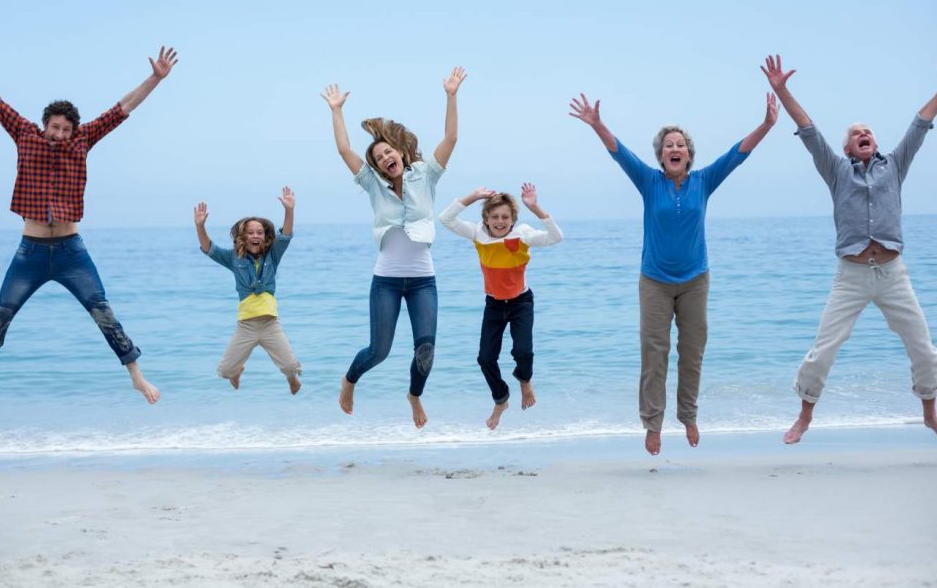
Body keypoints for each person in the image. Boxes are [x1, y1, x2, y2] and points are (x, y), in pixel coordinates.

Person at [0, 26, 176, 406]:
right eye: (54, 127)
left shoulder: (83, 141)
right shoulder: (24, 134)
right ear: (44, 126)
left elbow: (122, 109)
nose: (59, 134)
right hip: (30, 253)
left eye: (66, 129)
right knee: (1, 315)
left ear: (73, 132)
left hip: (72, 251)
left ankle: (136, 375)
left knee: (103, 312)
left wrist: (154, 77)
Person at [761, 54, 937, 445]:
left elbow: (920, 125)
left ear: (876, 142)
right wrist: (782, 89)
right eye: (856, 133)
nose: (863, 133)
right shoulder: (836, 171)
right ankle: (803, 418)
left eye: (868, 130)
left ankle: (931, 415)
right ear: (849, 149)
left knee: (924, 348)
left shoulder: (895, 166)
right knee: (823, 351)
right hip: (850, 275)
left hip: (892, 273)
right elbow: (808, 130)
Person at [569, 89, 778, 455]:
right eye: (668, 145)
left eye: (680, 144)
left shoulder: (704, 181)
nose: (674, 148)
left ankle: (689, 415)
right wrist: (598, 124)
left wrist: (767, 124)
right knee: (655, 353)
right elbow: (619, 153)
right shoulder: (649, 181)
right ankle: (653, 423)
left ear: (689, 154)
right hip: (654, 282)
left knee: (692, 351)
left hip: (696, 280)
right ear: (661, 156)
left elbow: (737, 154)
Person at [320, 67, 467, 428]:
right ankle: (349, 380)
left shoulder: (425, 175)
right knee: (379, 351)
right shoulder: (373, 185)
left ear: (400, 152)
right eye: (379, 158)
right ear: (378, 168)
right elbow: (343, 149)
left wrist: (451, 95)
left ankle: (414, 395)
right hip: (385, 281)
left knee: (426, 351)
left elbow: (451, 138)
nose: (386, 157)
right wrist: (336, 110)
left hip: (422, 281)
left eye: (389, 151)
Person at [439, 183, 563, 430]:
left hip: (521, 302)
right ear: (485, 219)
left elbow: (556, 237)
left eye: (505, 217)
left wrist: (535, 207)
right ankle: (501, 399)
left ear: (513, 219)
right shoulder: (477, 234)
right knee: (485, 359)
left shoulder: (522, 234)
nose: (499, 221)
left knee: (523, 353)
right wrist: (473, 196)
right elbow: (446, 219)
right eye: (494, 216)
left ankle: (524, 380)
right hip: (494, 305)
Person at [194, 188, 303, 393]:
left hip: (270, 324)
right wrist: (200, 226)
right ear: (242, 237)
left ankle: (292, 379)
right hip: (246, 326)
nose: (255, 235)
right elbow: (209, 248)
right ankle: (236, 372)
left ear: (265, 236)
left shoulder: (273, 254)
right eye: (250, 232)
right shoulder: (234, 258)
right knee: (225, 372)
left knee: (290, 366)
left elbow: (286, 235)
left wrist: (289, 210)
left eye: (259, 232)